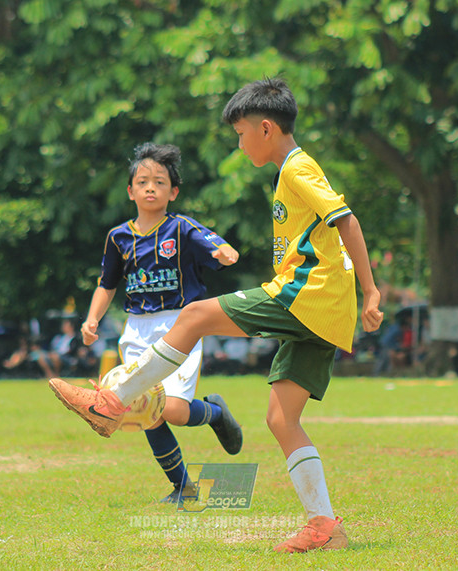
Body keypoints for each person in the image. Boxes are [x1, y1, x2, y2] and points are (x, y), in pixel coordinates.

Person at [49, 78, 383, 553]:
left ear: (266, 128)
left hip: (307, 295)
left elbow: (345, 219)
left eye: (241, 133)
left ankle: (112, 401)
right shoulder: (289, 170)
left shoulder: (296, 168)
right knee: (281, 418)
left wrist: (370, 291)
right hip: (324, 308)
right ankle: (323, 525)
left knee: (195, 315)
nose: (240, 142)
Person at [74, 142, 244, 504]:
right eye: (143, 181)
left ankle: (214, 413)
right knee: (144, 409)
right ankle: (183, 486)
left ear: (173, 191)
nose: (151, 187)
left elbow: (215, 245)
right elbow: (107, 284)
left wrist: (223, 252)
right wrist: (91, 319)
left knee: (176, 412)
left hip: (180, 325)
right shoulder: (118, 237)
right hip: (136, 329)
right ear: (131, 191)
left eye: (160, 182)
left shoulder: (181, 228)